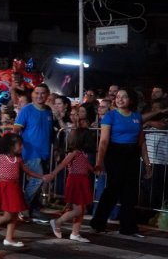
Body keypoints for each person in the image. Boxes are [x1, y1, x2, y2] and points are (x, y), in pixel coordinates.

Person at [89, 88, 151, 236]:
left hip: (132, 154)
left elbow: (142, 142)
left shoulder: (137, 117)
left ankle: (128, 227)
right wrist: (99, 162)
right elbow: (104, 141)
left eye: (124, 97)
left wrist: (147, 163)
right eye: (118, 97)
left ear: (131, 100)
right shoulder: (110, 116)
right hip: (115, 153)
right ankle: (98, 222)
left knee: (130, 191)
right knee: (113, 188)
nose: (120, 99)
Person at [46, 128, 95, 242]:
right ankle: (57, 222)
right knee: (78, 210)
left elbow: (86, 164)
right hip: (75, 181)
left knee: (81, 209)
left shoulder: (82, 153)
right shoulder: (74, 152)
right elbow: (63, 163)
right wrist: (53, 174)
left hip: (82, 180)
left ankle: (75, 233)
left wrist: (94, 169)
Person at [13, 83, 53, 221]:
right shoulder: (26, 110)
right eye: (37, 93)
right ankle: (23, 207)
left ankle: (33, 209)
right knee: (37, 179)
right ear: (32, 94)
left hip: (45, 152)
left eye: (43, 93)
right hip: (30, 152)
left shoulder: (48, 110)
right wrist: (15, 148)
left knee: (38, 183)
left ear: (47, 95)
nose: (39, 96)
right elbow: (16, 129)